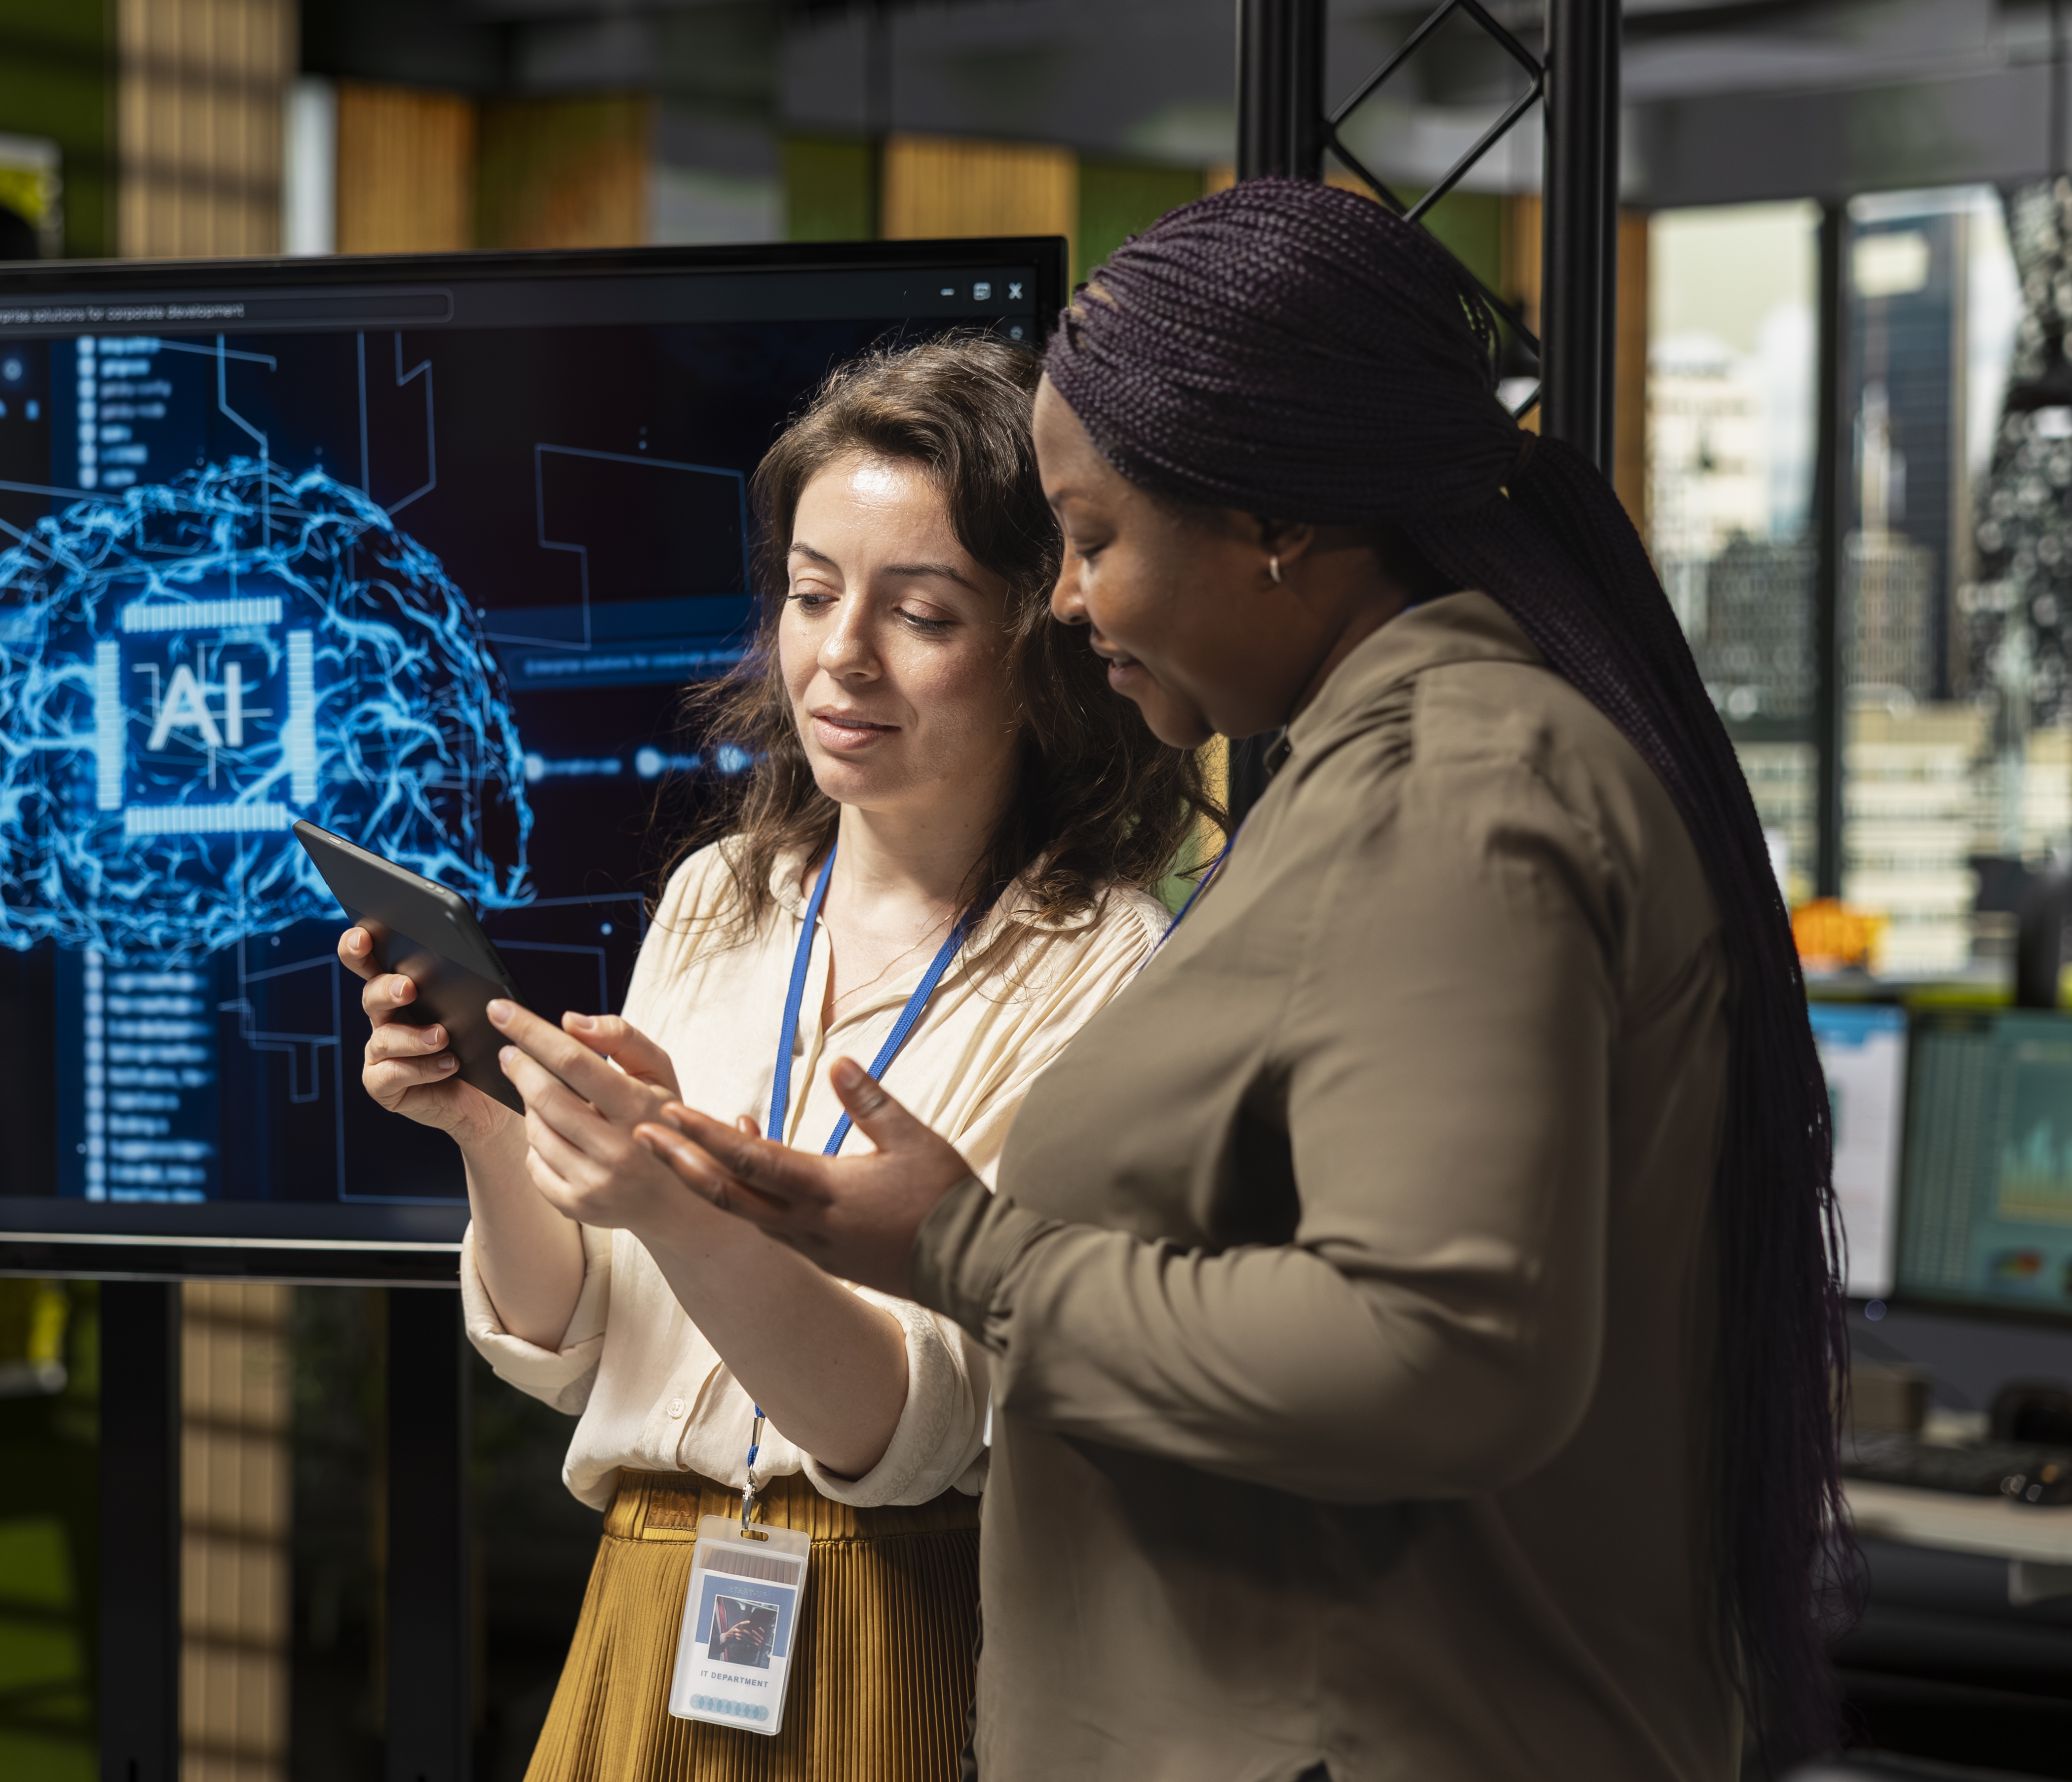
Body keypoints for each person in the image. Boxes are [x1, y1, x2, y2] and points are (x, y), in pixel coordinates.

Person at [640, 181, 1848, 1781]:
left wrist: (967, 1250)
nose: (1068, 602)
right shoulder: (1366, 788)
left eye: (1091, 542)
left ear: (1277, 526)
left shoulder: (1454, 790)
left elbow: (1435, 1350)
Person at [339, 336, 1218, 1781]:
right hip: (643, 1598)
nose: (838, 656)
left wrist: (678, 1196)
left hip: (900, 1617)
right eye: (811, 595)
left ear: (1041, 638)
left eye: (918, 610)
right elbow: (574, 1342)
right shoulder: (720, 894)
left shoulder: (1107, 961)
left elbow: (905, 1422)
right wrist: (492, 1129)